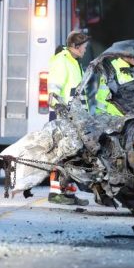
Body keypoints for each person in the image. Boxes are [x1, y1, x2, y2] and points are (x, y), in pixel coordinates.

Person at [46, 30, 90, 206]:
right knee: (61, 155)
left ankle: (68, 192)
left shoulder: (74, 62)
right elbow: (54, 91)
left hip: (74, 117)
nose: (85, 50)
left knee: (72, 155)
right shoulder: (62, 62)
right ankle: (55, 193)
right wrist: (60, 111)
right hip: (63, 116)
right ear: (75, 47)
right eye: (84, 47)